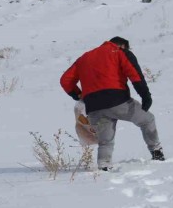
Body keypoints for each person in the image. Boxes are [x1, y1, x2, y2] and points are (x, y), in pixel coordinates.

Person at [60, 36, 165, 171]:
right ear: (122, 46)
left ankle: (104, 167)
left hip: (93, 107)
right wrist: (146, 96)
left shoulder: (84, 58)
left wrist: (78, 94)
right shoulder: (119, 52)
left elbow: (65, 80)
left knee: (105, 141)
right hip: (118, 101)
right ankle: (156, 152)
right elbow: (135, 74)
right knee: (147, 120)